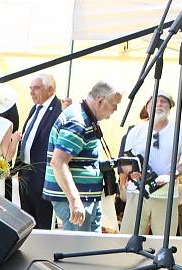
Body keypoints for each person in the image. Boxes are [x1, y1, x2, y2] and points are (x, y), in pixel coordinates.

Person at [43, 80, 122, 232]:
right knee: (76, 252)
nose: (116, 109)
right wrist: (74, 200)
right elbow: (58, 162)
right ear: (100, 101)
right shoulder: (77, 122)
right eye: (114, 104)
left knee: (87, 250)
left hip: (86, 198)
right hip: (78, 201)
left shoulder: (84, 116)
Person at [119, 92, 182, 236]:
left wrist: (170, 175)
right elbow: (124, 160)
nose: (159, 104)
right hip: (137, 193)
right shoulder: (135, 131)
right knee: (128, 239)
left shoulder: (181, 131)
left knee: (164, 244)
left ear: (170, 107)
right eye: (155, 101)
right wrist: (132, 172)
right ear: (147, 107)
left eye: (164, 101)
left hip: (166, 196)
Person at [17, 73, 61, 229]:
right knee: (27, 222)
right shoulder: (35, 109)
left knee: (43, 223)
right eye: (30, 88)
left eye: (36, 88)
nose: (31, 92)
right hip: (27, 174)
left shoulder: (59, 109)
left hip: (43, 176)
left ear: (50, 89)